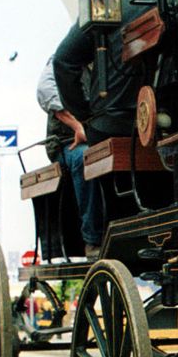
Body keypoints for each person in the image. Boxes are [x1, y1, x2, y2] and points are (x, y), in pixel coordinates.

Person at [37, 48, 104, 257]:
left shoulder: (105, 65)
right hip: (66, 143)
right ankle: (92, 240)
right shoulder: (63, 59)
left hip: (100, 137)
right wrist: (77, 126)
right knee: (86, 158)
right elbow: (45, 90)